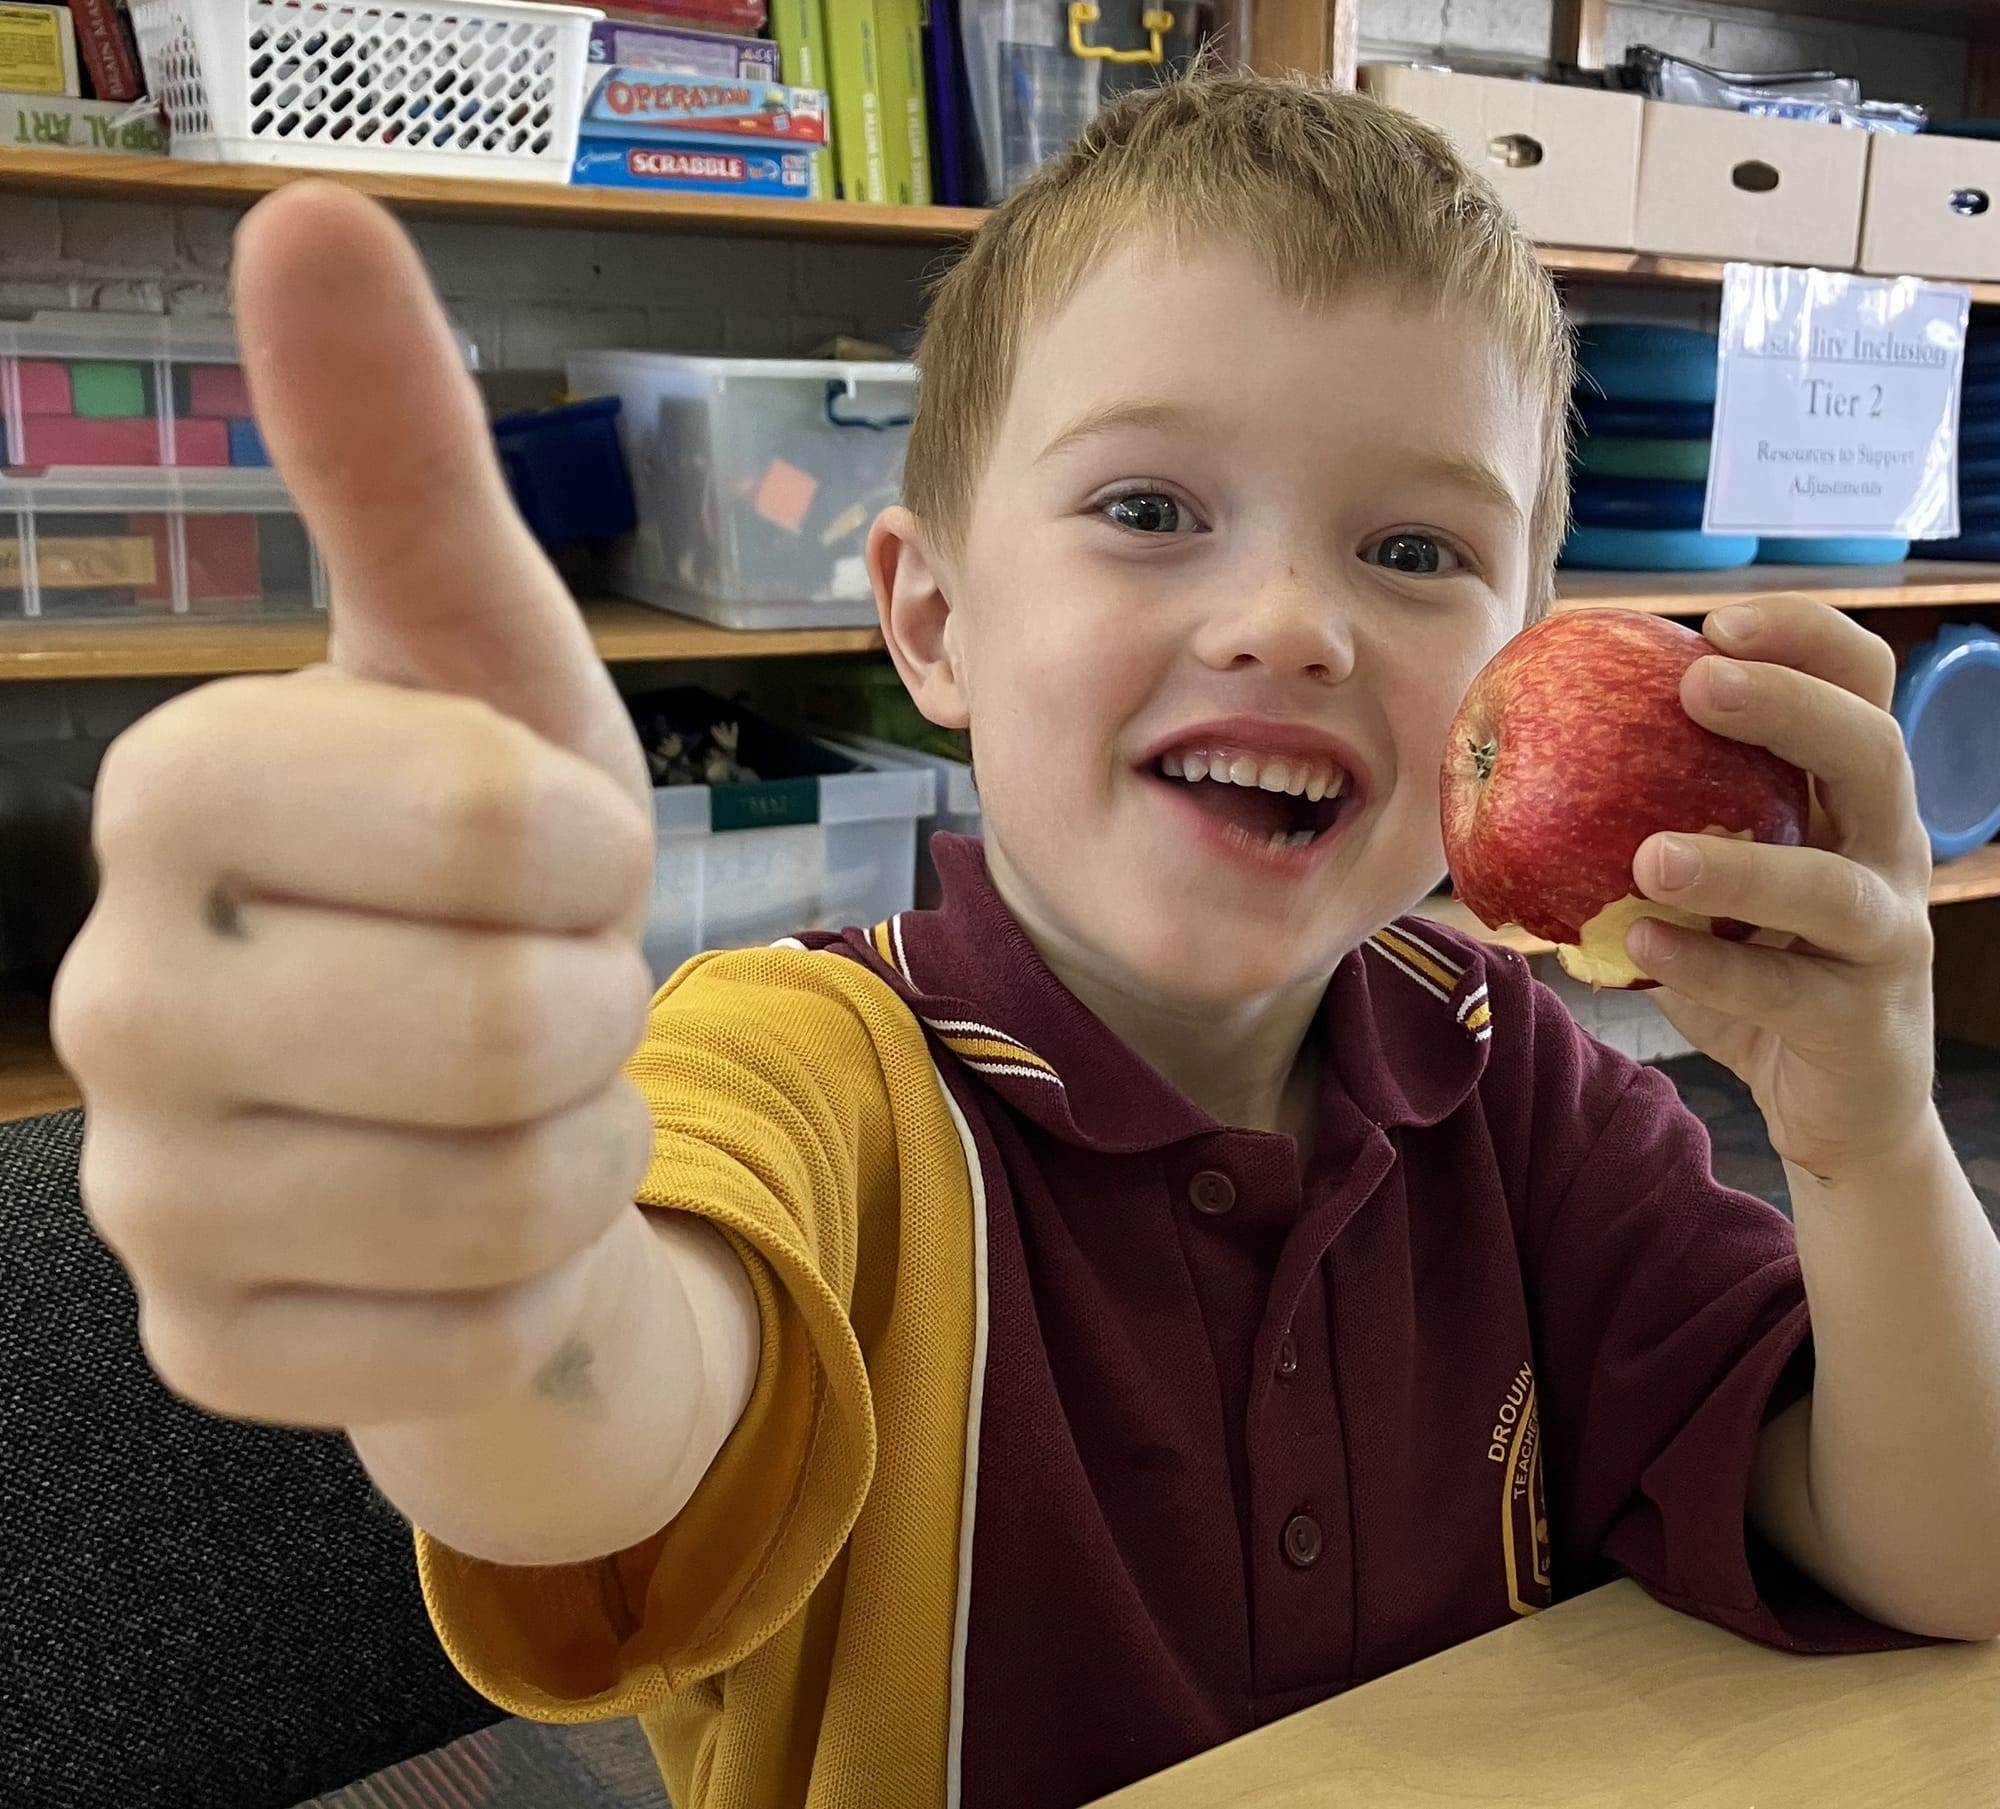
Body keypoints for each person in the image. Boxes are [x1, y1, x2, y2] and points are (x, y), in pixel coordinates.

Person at [55, 73, 2000, 1809]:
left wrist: (1871, 1139)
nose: (1291, 621)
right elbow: (604, 1402)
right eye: (1150, 505)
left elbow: (1949, 1547)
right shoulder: (797, 1064)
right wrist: (494, 1252)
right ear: (932, 622)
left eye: (1413, 550)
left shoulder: (1522, 1083)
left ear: (1518, 643)